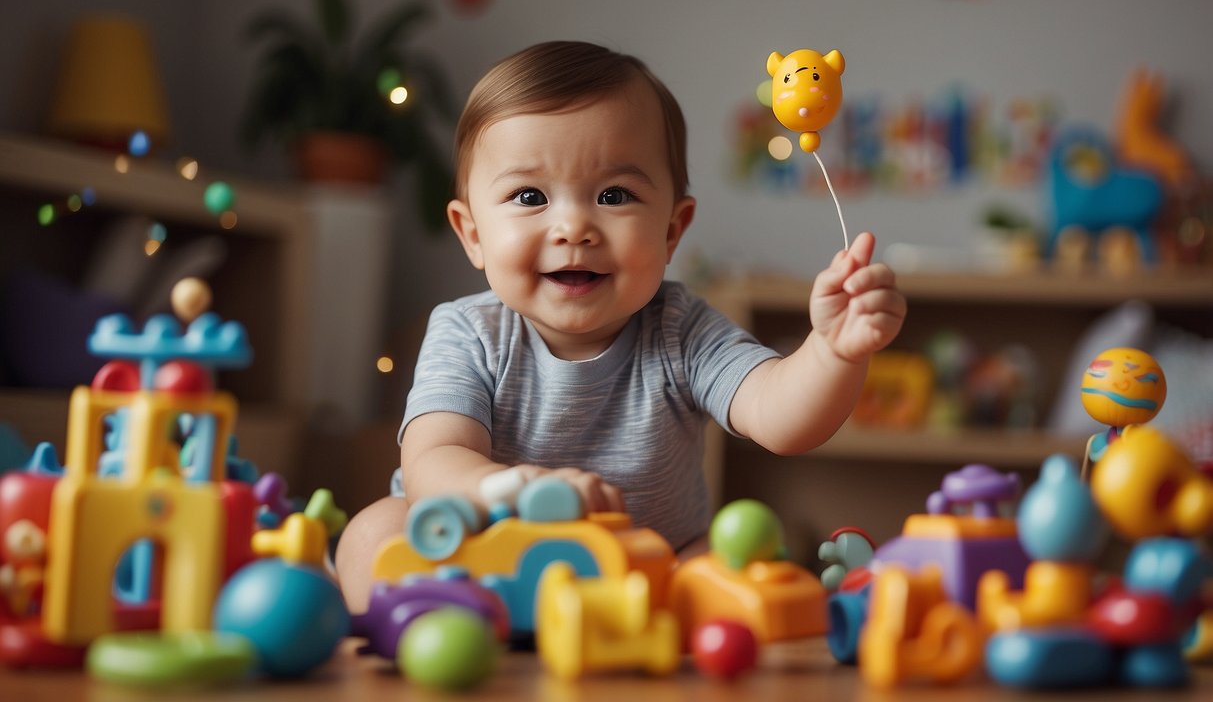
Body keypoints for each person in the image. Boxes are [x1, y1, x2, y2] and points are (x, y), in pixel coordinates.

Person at [334, 40, 906, 610]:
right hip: (486, 560)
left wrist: (834, 350)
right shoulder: (469, 331)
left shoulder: (683, 330)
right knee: (372, 535)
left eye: (614, 195)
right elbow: (434, 460)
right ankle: (443, 623)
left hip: (645, 568)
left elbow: (781, 417)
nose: (574, 226)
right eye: (529, 196)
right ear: (473, 233)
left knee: (727, 559)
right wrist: (515, 491)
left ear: (671, 231)